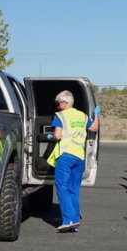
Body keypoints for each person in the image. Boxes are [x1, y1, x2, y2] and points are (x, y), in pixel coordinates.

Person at [47, 90, 100, 232]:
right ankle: (75, 220)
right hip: (79, 157)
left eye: (59, 104)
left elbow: (57, 136)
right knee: (74, 189)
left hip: (65, 156)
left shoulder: (60, 116)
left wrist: (49, 136)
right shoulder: (82, 116)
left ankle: (68, 220)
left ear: (65, 103)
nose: (58, 107)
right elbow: (94, 128)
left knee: (61, 186)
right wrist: (97, 115)